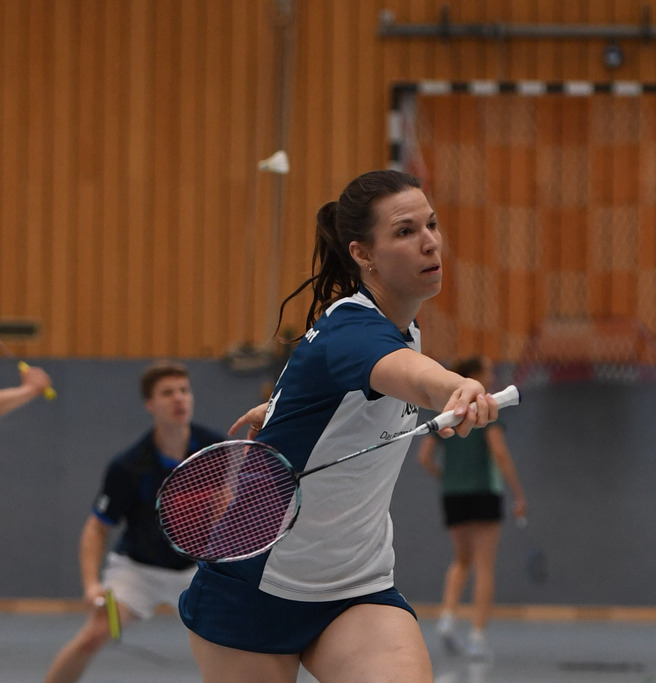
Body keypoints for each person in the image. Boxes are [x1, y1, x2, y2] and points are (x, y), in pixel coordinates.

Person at [179, 169, 501, 683]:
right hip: (256, 587)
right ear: (363, 254)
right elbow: (411, 378)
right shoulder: (351, 329)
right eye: (405, 231)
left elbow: (342, 387)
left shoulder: (402, 329)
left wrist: (279, 411)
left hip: (356, 585)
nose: (429, 242)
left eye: (431, 225)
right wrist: (452, 387)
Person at [43, 361, 224, 683]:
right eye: (167, 393)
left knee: (231, 645)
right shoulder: (129, 466)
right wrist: (91, 585)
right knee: (92, 636)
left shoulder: (215, 450)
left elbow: (230, 509)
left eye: (184, 390)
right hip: (139, 570)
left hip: (199, 569)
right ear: (150, 404)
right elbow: (97, 527)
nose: (179, 399)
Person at [417, 354, 527, 659]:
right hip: (483, 492)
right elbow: (499, 452)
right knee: (484, 566)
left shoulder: (450, 410)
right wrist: (518, 494)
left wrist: (447, 478)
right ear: (475, 375)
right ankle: (477, 636)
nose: (492, 376)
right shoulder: (489, 407)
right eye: (489, 370)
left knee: (461, 559)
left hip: (453, 494)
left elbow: (424, 457)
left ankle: (447, 618)